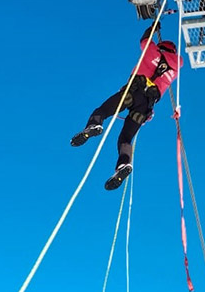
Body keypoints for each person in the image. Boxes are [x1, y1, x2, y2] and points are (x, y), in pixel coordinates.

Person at [71, 24, 183, 190]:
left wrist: (152, 27)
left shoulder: (152, 52)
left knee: (103, 110)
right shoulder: (175, 70)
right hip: (145, 108)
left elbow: (145, 40)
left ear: (161, 47)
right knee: (125, 138)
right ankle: (123, 164)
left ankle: (94, 124)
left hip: (132, 92)